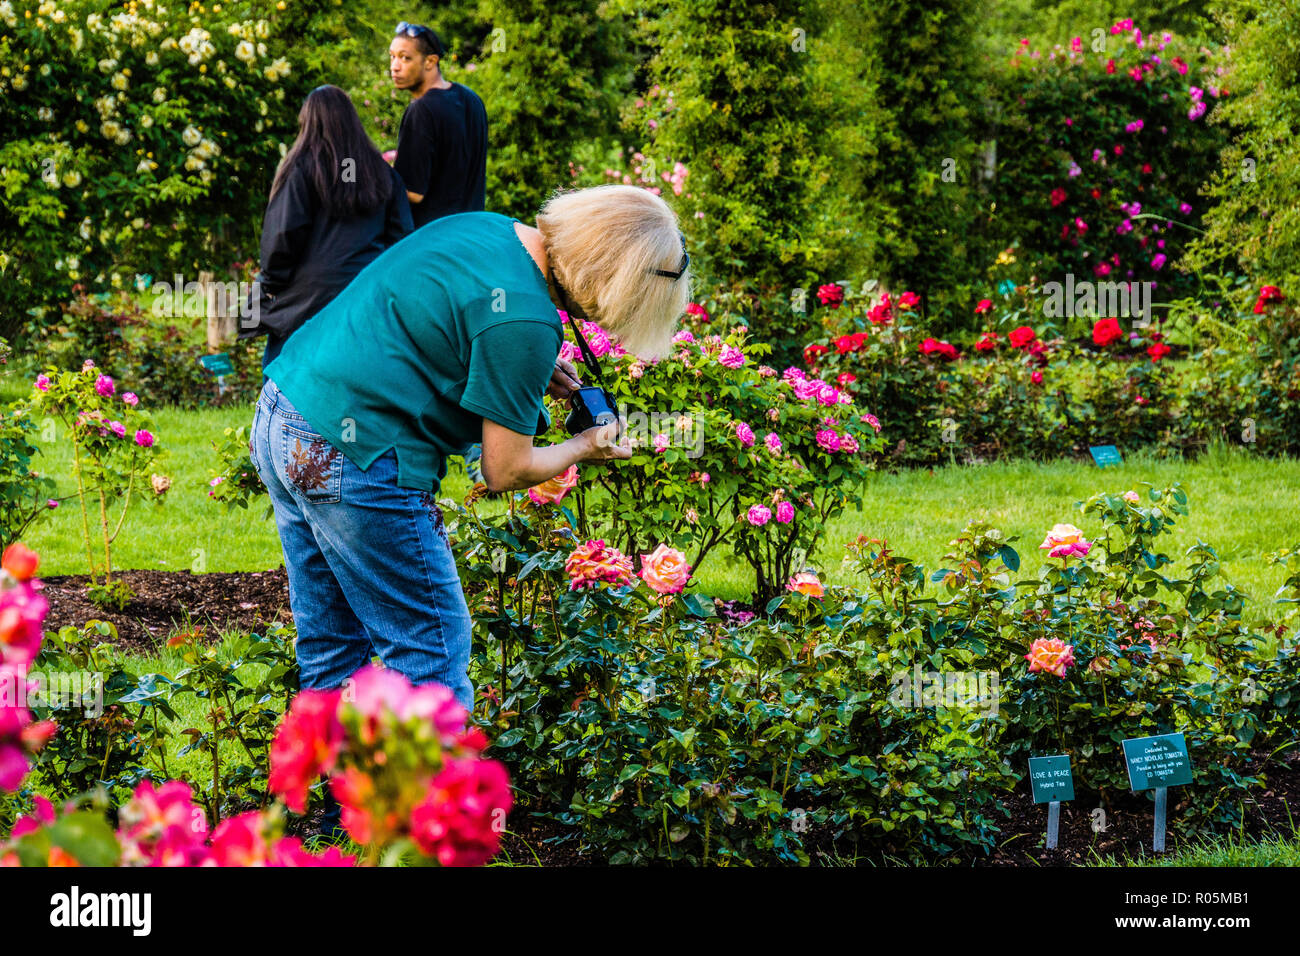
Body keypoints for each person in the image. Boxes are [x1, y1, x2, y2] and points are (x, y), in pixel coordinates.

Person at [249, 184, 689, 717]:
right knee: (431, 652)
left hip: (285, 413)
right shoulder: (523, 321)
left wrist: (526, 364)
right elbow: (505, 468)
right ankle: (433, 800)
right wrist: (584, 445)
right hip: (352, 455)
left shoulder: (489, 228)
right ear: (614, 279)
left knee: (333, 647)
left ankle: (317, 796)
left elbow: (443, 318)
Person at [242, 85, 413, 370]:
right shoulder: (383, 173)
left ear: (308, 122)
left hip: (307, 302)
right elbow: (402, 241)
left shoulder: (301, 168)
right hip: (365, 298)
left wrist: (270, 284)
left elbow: (283, 236)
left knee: (281, 377)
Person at [388, 22, 488, 228]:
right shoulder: (471, 99)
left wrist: (370, 176)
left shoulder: (422, 110)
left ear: (430, 61)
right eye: (392, 56)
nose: (395, 66)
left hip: (432, 240)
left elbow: (413, 193)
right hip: (471, 233)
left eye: (405, 58)